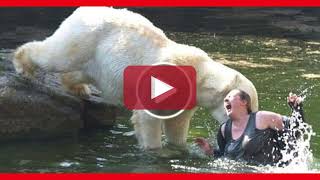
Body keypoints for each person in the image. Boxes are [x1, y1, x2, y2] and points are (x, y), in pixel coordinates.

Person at [195, 89, 306, 165]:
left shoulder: (262, 118)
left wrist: (297, 109)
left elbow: (296, 130)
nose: (225, 100)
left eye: (230, 96)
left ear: (244, 102)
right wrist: (209, 150)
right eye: (225, 99)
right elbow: (224, 157)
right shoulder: (224, 129)